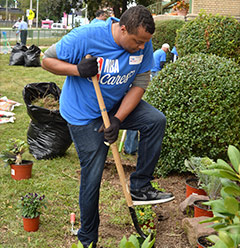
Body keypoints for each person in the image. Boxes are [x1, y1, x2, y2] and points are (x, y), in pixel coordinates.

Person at [41, 5, 174, 248]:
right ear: (122, 29)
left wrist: (118, 119)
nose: (143, 47)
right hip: (82, 113)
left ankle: (140, 186)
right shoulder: (87, 36)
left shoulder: (143, 42)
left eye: (146, 42)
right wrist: (77, 70)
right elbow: (46, 60)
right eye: (137, 41)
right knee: (93, 176)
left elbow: (141, 82)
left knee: (155, 121)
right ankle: (88, 238)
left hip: (115, 105)